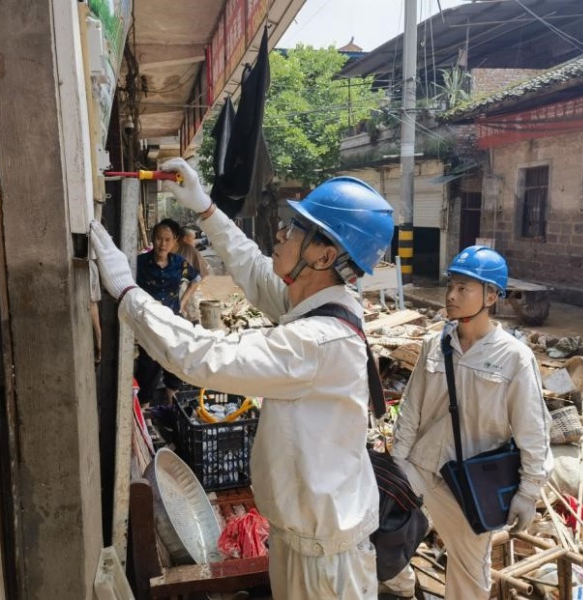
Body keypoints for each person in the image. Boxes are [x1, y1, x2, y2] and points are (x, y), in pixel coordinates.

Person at [90, 158, 395, 599]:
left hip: (326, 561)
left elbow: (203, 356)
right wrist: (205, 208)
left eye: (295, 229)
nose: (281, 232)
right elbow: (253, 268)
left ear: (324, 255)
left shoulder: (319, 341)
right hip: (304, 543)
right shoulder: (321, 303)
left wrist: (126, 292)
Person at [391, 246, 553, 600]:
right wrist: (397, 463)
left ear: (491, 295)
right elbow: (411, 408)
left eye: (464, 288)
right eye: (452, 285)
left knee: (467, 575)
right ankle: (401, 590)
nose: (451, 295)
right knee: (376, 529)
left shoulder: (514, 359)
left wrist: (527, 494)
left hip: (470, 485)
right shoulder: (435, 345)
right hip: (422, 466)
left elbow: (533, 432)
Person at [134, 218, 201, 405]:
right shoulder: (140, 263)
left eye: (167, 239)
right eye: (158, 239)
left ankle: (172, 398)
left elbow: (196, 278)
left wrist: (183, 301)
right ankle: (144, 405)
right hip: (148, 322)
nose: (162, 244)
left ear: (174, 241)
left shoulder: (179, 263)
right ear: (153, 239)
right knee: (149, 363)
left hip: (172, 319)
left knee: (174, 358)